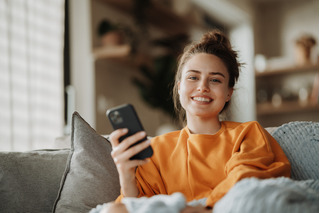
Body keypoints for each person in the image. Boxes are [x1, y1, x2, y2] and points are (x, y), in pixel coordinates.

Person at [106, 29, 291, 212]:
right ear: (179, 87)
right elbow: (136, 207)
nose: (202, 87)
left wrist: (202, 208)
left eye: (215, 80)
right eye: (193, 77)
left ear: (228, 93)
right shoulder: (156, 150)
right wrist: (126, 175)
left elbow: (248, 180)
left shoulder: (248, 133)